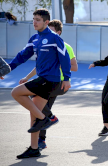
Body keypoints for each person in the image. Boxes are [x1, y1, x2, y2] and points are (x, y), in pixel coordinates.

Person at [0, 8, 71, 159]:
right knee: (33, 114)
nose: (35, 22)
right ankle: (34, 148)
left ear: (46, 22)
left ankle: (46, 118)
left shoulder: (54, 38)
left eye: (38, 20)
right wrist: (5, 70)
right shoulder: (34, 38)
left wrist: (66, 78)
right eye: (33, 19)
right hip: (44, 79)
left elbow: (64, 58)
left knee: (15, 92)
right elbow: (22, 56)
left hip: (49, 80)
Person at [18, 19, 78, 149]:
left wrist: (58, 66)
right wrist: (27, 77)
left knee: (34, 101)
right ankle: (41, 140)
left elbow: (74, 67)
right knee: (38, 107)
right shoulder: (44, 45)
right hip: (46, 81)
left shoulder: (66, 46)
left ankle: (50, 119)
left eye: (51, 30)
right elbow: (40, 66)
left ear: (59, 32)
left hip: (59, 83)